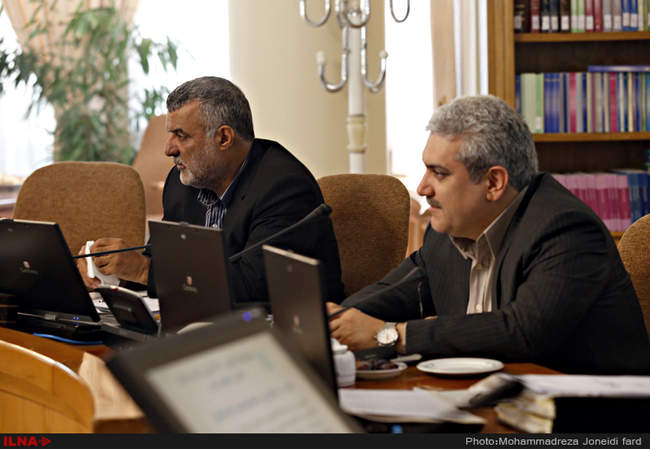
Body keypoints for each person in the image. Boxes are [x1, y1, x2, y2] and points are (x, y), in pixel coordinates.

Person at [327, 95, 650, 374]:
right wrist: (335, 320)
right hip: (496, 400)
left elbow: (522, 331)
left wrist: (390, 335)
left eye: (439, 173)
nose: (423, 188)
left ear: (494, 183)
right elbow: (396, 291)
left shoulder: (566, 230)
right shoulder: (448, 230)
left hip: (585, 411)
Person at [78, 76, 344, 305]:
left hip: (287, 334)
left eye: (181, 135)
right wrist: (110, 269)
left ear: (224, 138)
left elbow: (255, 286)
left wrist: (145, 271)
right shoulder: (182, 182)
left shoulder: (285, 188)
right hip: (205, 325)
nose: (168, 149)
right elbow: (160, 258)